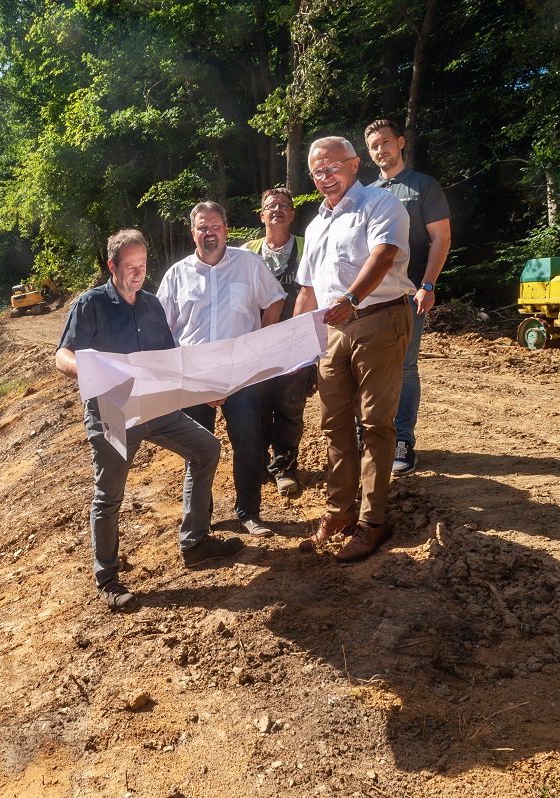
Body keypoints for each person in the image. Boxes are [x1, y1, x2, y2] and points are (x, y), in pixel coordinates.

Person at [56, 229, 243, 612]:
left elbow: (171, 362)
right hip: (112, 411)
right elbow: (62, 357)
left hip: (155, 406)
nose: (138, 273)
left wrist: (204, 390)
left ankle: (195, 543)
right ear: (112, 266)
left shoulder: (153, 305)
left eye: (143, 266)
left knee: (206, 448)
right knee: (109, 496)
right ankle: (107, 579)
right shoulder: (90, 304)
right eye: (130, 267)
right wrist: (97, 371)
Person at [293, 136, 412, 563]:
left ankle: (372, 521)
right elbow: (308, 290)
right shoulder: (315, 225)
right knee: (335, 424)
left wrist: (352, 299)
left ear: (354, 163)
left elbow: (383, 256)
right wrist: (296, 345)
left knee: (376, 424)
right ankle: (339, 512)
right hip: (331, 332)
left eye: (331, 168)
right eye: (317, 172)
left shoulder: (380, 204)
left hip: (378, 320)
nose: (325, 178)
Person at [157, 202, 287, 539]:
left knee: (248, 442)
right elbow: (160, 327)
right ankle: (202, 518)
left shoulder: (248, 264)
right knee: (197, 450)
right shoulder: (176, 275)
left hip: (240, 375)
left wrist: (261, 340)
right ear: (192, 233)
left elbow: (274, 299)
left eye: (215, 225)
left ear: (226, 229)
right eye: (202, 227)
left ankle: (249, 513)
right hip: (194, 378)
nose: (209, 232)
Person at [364, 119, 451, 476]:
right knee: (367, 369)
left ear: (400, 143)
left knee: (405, 366)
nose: (381, 149)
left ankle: (402, 441)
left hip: (410, 292)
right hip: (370, 297)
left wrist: (427, 285)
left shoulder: (423, 186)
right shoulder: (365, 194)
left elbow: (441, 239)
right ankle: (366, 436)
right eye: (373, 146)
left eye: (386, 142)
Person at [242, 188, 318, 498]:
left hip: (296, 347)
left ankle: (284, 468)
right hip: (257, 348)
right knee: (256, 408)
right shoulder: (246, 252)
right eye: (271, 206)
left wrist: (310, 352)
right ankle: (257, 465)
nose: (278, 210)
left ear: (292, 214)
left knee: (289, 408)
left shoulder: (307, 247)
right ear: (262, 216)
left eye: (284, 206)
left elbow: (317, 294)